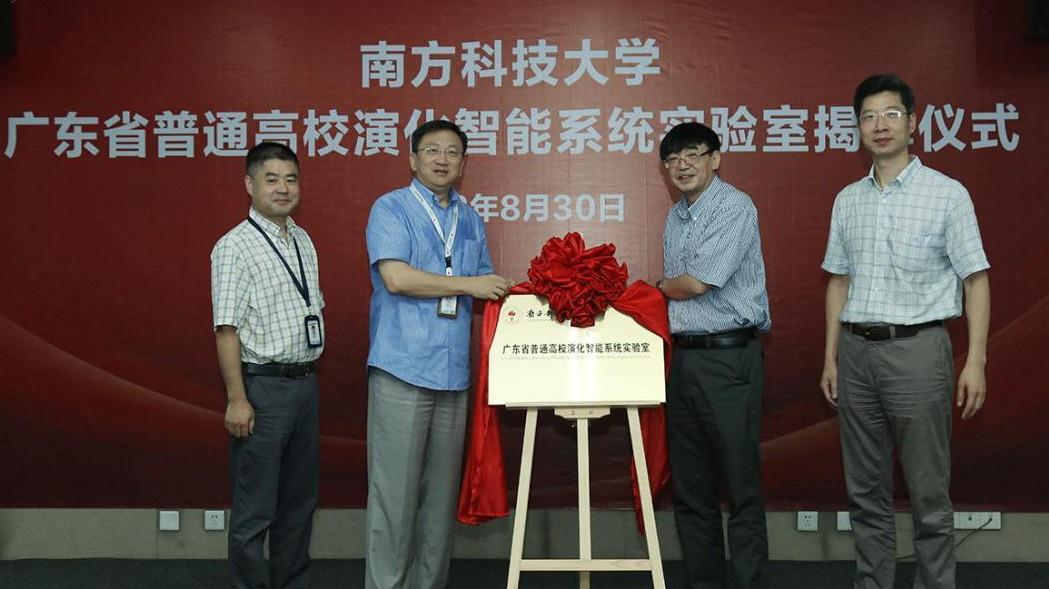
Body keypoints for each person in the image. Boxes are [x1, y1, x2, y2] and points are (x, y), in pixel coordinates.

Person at [820, 74, 991, 589]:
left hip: (918, 353)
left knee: (928, 492)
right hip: (855, 354)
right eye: (869, 116)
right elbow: (838, 281)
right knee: (864, 492)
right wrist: (830, 356)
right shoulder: (847, 199)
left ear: (913, 122)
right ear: (858, 127)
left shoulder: (947, 194)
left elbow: (976, 280)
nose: (881, 125)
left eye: (892, 114)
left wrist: (976, 360)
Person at [363, 119, 513, 589]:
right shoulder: (391, 208)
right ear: (413, 158)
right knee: (394, 498)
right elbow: (397, 278)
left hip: (453, 375)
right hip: (402, 370)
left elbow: (486, 284)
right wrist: (468, 284)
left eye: (452, 152)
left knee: (438, 501)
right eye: (432, 150)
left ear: (463, 164)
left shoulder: (469, 218)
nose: (442, 160)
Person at [655, 122, 771, 589]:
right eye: (672, 159)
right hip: (684, 359)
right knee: (691, 487)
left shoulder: (734, 206)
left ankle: (748, 582)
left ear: (715, 158)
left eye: (692, 154)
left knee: (741, 486)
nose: (681, 165)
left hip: (729, 358)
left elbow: (696, 283)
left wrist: (655, 288)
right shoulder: (675, 217)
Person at [211, 141, 325, 589]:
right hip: (262, 391)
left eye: (291, 179)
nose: (283, 188)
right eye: (271, 179)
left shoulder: (303, 239)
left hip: (304, 385)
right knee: (255, 508)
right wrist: (237, 399)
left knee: (299, 504)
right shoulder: (234, 247)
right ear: (249, 184)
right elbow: (226, 329)